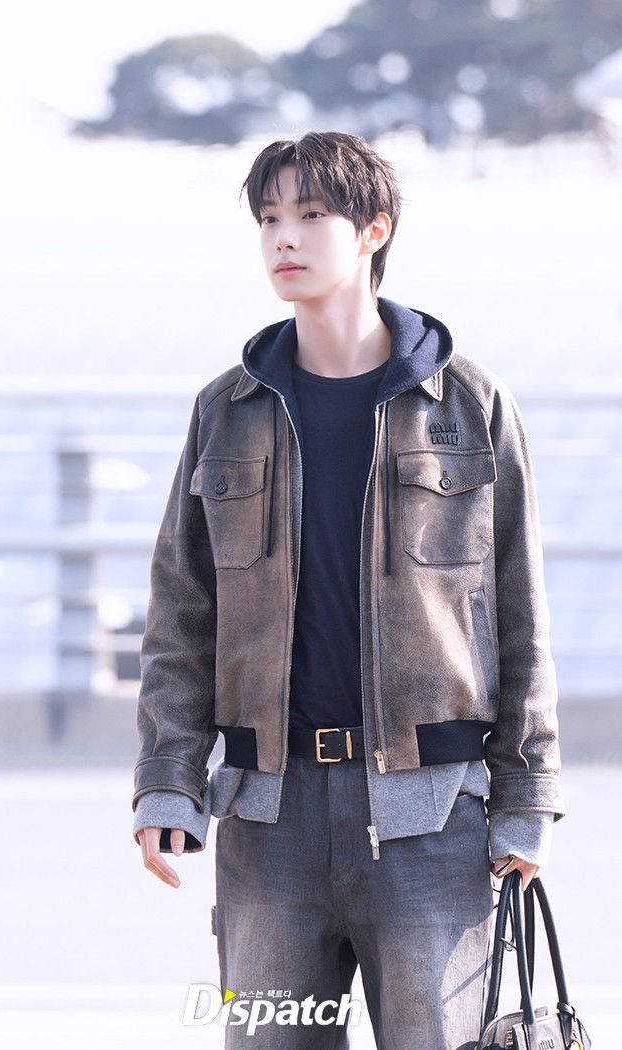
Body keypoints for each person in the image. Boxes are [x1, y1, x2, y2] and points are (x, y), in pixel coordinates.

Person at [132, 131, 564, 1049]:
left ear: (375, 230)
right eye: (268, 219)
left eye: (311, 214)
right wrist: (167, 781)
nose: (283, 238)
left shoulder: (469, 405)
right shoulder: (226, 410)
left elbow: (519, 609)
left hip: (431, 819)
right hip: (266, 820)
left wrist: (527, 795)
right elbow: (181, 615)